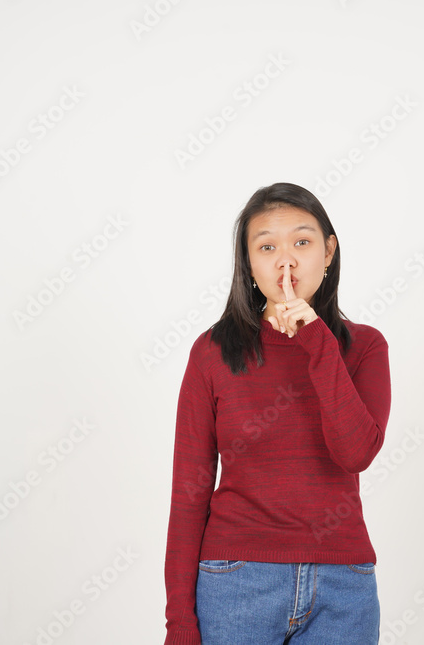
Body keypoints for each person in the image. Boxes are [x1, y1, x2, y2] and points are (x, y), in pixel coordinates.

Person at [163, 182, 392, 645]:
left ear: (329, 252)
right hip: (235, 582)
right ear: (249, 263)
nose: (286, 261)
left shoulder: (364, 347)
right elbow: (189, 492)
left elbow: (355, 454)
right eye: (267, 247)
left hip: (343, 585)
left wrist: (317, 341)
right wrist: (180, 622)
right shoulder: (212, 352)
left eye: (302, 242)